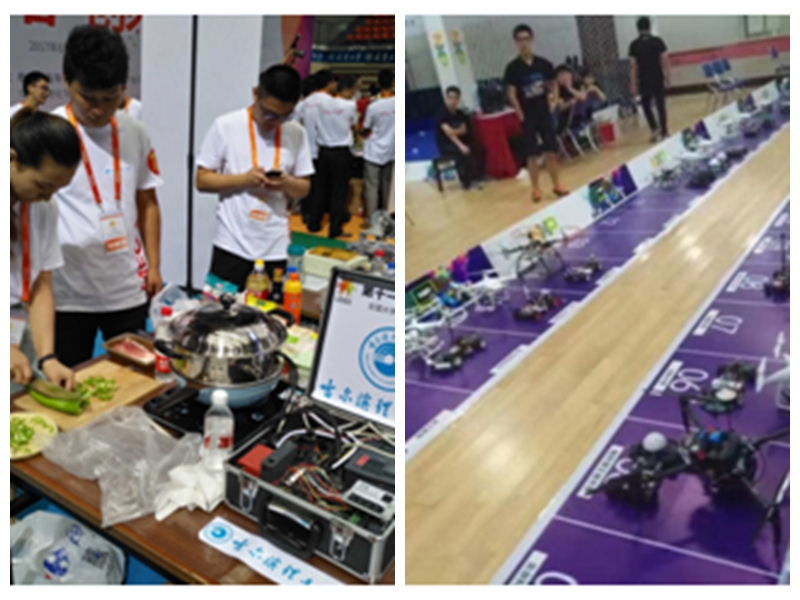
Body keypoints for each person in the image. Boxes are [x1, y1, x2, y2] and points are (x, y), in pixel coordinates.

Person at [51, 25, 165, 368]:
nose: (98, 110)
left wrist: (155, 265)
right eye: (88, 98)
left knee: (132, 376)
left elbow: (148, 201)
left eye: (109, 98)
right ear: (67, 80)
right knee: (70, 377)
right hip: (67, 290)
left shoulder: (135, 131)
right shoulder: (50, 133)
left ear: (123, 89)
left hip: (125, 285)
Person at [196, 65, 313, 291]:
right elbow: (202, 180)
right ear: (255, 93)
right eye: (268, 113)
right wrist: (244, 180)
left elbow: (304, 187)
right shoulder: (226, 125)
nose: (274, 122)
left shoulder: (296, 132)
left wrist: (287, 183)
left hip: (275, 245)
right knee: (220, 309)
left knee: (270, 310)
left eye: (284, 116)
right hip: (231, 243)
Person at [10, 110, 81, 389]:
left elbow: (40, 283)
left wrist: (47, 357)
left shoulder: (43, 206)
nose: (49, 196)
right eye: (43, 185)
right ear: (11, 159)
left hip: (16, 326)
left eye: (58, 188)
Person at [504, 24, 569, 202]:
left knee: (551, 151)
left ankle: (557, 184)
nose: (524, 43)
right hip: (527, 116)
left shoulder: (544, 64)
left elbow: (553, 84)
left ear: (532, 40)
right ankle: (535, 189)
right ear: (516, 43)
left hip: (544, 114)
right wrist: (520, 114)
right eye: (520, 40)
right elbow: (511, 94)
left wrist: (554, 101)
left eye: (526, 39)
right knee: (531, 153)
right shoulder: (512, 68)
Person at [310, 74, 359, 239]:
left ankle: (314, 223)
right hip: (341, 151)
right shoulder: (350, 105)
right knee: (339, 191)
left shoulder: (322, 104)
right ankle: (334, 228)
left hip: (324, 150)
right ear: (349, 89)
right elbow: (353, 125)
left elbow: (317, 125)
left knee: (320, 188)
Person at [297, 70, 336, 224]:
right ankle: (317, 214)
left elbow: (297, 121)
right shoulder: (331, 102)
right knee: (321, 185)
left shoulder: (305, 102)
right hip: (324, 148)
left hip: (306, 147)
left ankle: (306, 212)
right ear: (329, 83)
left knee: (308, 183)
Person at [629, 16, 671, 142]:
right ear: (649, 27)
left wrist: (633, 83)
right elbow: (665, 59)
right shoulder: (657, 41)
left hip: (643, 79)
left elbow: (633, 65)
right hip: (657, 77)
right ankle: (664, 131)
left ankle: (654, 129)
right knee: (660, 105)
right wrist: (668, 75)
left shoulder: (634, 45)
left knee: (646, 105)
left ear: (637, 29)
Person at [362, 69, 395, 221]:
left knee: (372, 188)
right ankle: (387, 218)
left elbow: (366, 127)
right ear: (393, 83)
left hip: (373, 151)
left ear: (378, 84)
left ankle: (371, 219)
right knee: (388, 187)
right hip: (391, 151)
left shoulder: (373, 106)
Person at [435, 86, 475, 190]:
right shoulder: (441, 114)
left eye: (455, 98)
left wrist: (454, 131)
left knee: (475, 147)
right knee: (463, 153)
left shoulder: (460, 113)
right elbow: (449, 133)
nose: (453, 101)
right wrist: (460, 145)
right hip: (446, 145)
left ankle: (475, 176)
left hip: (459, 141)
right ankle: (466, 182)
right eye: (450, 98)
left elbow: (464, 130)